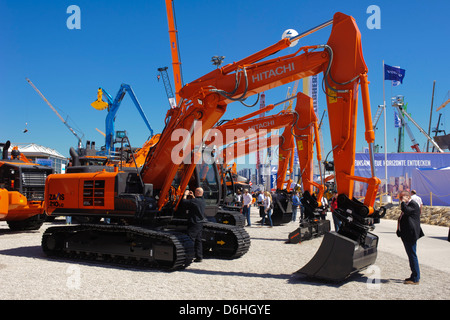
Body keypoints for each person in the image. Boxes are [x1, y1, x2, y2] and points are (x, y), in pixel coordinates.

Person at [397, 190, 424, 285]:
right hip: (406, 234)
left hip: (410, 234)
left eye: (401, 197)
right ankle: (413, 275)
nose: (400, 200)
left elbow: (406, 211)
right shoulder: (408, 204)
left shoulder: (412, 204)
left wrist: (403, 202)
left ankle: (416, 278)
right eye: (400, 198)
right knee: (410, 255)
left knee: (412, 255)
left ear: (407, 197)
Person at [182, 187, 207, 262]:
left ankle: (189, 257)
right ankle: (199, 257)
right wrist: (193, 196)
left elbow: (184, 202)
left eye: (195, 191)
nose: (194, 192)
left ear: (198, 193)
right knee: (198, 240)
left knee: (190, 239)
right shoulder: (202, 201)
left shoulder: (194, 201)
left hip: (194, 223)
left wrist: (185, 195)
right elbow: (195, 202)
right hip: (200, 223)